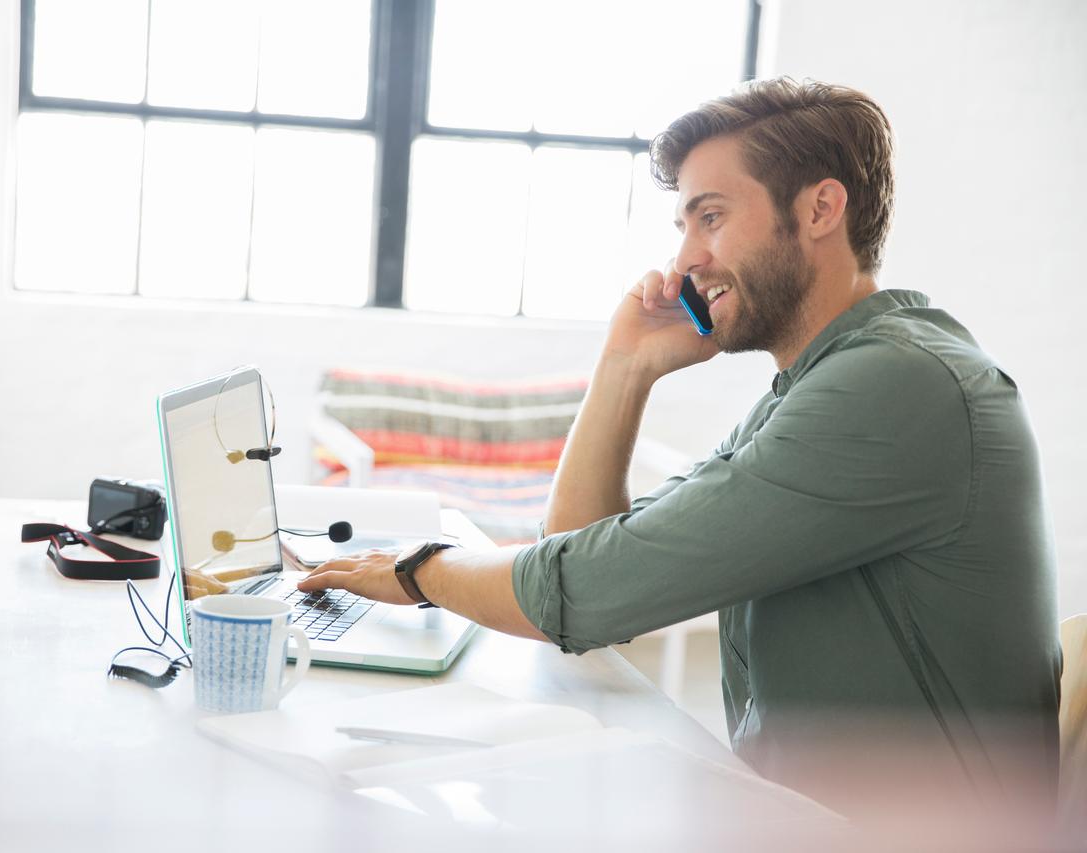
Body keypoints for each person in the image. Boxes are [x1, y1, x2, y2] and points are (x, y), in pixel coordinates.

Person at [297, 77, 1061, 817]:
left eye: (712, 216)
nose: (685, 259)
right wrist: (625, 368)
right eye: (684, 226)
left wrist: (418, 570)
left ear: (822, 208)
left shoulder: (897, 388)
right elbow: (584, 559)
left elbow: (588, 590)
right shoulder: (821, 385)